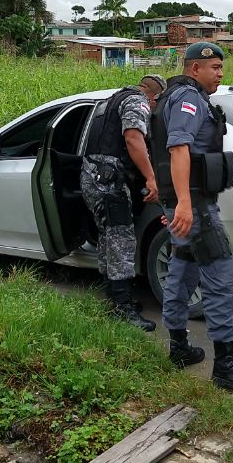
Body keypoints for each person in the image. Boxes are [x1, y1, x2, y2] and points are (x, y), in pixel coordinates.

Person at [151, 42, 233, 391]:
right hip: (196, 205)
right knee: (221, 279)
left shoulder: (177, 96)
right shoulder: (188, 99)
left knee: (182, 270)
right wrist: (185, 202)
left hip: (186, 202)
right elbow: (178, 146)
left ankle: (178, 346)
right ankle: (225, 364)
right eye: (215, 66)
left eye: (220, 66)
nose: (220, 73)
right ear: (194, 68)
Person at [81, 74, 167, 331]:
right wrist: (151, 177)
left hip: (93, 177)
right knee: (121, 239)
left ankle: (113, 297)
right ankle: (123, 307)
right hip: (109, 182)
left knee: (109, 237)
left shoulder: (110, 100)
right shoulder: (137, 102)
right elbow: (132, 138)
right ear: (154, 98)